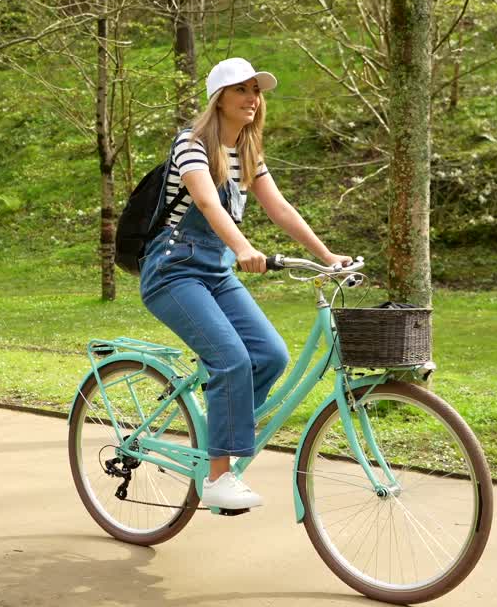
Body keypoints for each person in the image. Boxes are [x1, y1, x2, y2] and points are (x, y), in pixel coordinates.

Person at [138, 58, 353, 511]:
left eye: (257, 91)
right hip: (173, 270)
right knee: (232, 359)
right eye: (242, 91)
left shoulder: (249, 155)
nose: (253, 100)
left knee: (270, 355)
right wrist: (242, 247)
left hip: (214, 271)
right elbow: (205, 202)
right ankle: (218, 476)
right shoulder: (191, 144)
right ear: (220, 99)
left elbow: (281, 210)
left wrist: (328, 256)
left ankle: (222, 435)